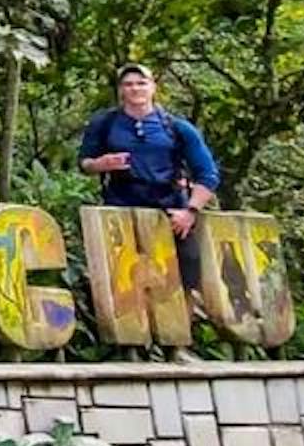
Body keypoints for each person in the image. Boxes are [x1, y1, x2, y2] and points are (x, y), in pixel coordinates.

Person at [77, 62, 220, 294]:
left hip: (170, 210)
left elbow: (208, 173)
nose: (135, 89)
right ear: (121, 90)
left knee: (187, 280)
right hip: (121, 207)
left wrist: (190, 212)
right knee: (121, 282)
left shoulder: (178, 128)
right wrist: (100, 164)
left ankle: (185, 323)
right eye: (128, 84)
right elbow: (84, 162)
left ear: (153, 87)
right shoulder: (104, 123)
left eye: (141, 83)